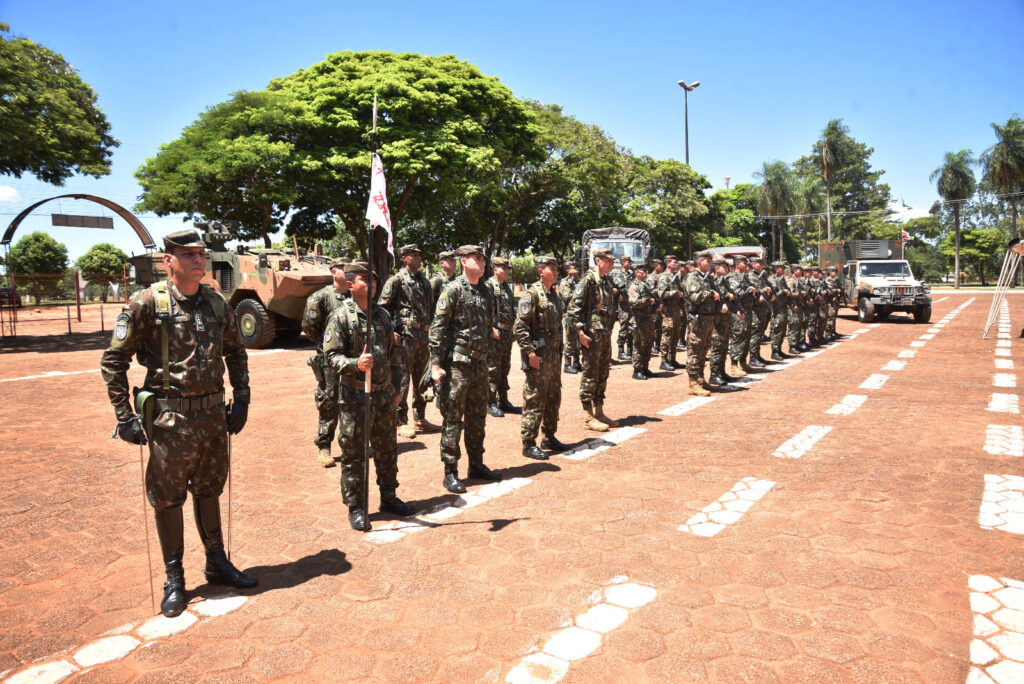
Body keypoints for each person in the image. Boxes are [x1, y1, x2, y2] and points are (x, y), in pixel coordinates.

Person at [101, 229, 256, 618]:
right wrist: (125, 419)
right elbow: (113, 363)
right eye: (187, 255)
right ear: (168, 260)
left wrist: (243, 398)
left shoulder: (217, 303)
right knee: (169, 498)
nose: (198, 260)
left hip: (212, 418)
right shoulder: (147, 302)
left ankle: (217, 562)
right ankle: (175, 578)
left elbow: (236, 353)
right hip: (170, 420)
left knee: (209, 491)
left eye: (201, 254)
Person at [323, 261, 416, 531]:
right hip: (355, 397)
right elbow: (330, 357)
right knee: (354, 453)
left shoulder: (383, 316)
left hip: (384, 395)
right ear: (350, 284)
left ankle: (389, 498)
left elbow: (394, 355)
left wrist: (397, 388)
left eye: (374, 280)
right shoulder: (341, 316)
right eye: (365, 279)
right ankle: (356, 506)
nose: (372, 284)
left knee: (388, 450)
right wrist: (355, 364)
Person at [430, 245, 502, 494]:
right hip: (457, 367)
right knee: (453, 420)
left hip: (480, 365)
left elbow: (487, 321)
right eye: (477, 259)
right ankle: (450, 471)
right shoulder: (452, 289)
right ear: (463, 262)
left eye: (484, 260)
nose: (482, 263)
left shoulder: (486, 291)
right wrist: (435, 364)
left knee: (477, 418)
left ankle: (477, 465)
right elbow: (437, 328)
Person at [379, 244, 439, 439]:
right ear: (404, 258)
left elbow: (430, 308)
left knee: (422, 379)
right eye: (413, 255)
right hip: (405, 336)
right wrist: (392, 331)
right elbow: (383, 308)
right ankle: (400, 421)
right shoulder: (396, 280)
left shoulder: (424, 281)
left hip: (423, 336)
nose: (418, 258)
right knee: (402, 379)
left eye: (419, 254)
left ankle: (419, 417)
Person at [515, 256, 568, 460]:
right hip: (538, 356)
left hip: (553, 357)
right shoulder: (531, 295)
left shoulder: (553, 295)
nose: (555, 272)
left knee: (553, 397)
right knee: (534, 399)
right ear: (540, 271)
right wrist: (530, 353)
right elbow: (520, 327)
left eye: (556, 269)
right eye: (551, 269)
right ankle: (529, 443)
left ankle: (549, 436)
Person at [302, 260, 350, 468]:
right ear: (334, 272)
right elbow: (309, 326)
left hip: (352, 359)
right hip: (329, 360)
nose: (349, 273)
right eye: (344, 269)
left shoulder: (353, 296)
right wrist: (326, 346)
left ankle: (351, 444)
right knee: (329, 401)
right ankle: (324, 446)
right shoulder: (321, 296)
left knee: (353, 401)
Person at [567, 247, 619, 431]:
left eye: (612, 261)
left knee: (603, 373)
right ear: (598, 261)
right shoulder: (587, 282)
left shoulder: (605, 281)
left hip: (604, 334)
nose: (612, 264)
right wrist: (580, 333)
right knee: (590, 374)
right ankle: (588, 416)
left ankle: (599, 411)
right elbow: (573, 311)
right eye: (609, 261)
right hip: (591, 336)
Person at [487, 256, 519, 417]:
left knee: (504, 368)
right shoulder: (489, 286)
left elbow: (510, 310)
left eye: (507, 269)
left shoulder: (506, 287)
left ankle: (503, 400)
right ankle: (491, 402)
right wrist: (491, 329)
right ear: (495, 269)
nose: (506, 271)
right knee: (493, 369)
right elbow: (484, 311)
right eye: (503, 268)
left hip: (506, 333)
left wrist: (513, 330)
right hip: (495, 334)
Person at [684, 254, 721, 396]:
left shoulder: (708, 277)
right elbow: (695, 297)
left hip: (708, 319)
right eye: (708, 261)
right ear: (699, 262)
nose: (710, 263)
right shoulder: (693, 277)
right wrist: (711, 293)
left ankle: (700, 379)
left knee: (703, 351)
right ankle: (692, 382)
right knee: (695, 351)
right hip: (697, 320)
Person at [627, 263, 659, 379]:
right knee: (639, 345)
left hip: (648, 319)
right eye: (642, 271)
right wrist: (648, 301)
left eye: (646, 271)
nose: (645, 273)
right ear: (636, 273)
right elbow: (634, 302)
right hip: (638, 320)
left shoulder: (646, 285)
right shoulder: (634, 286)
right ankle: (637, 370)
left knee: (648, 344)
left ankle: (645, 367)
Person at [727, 256, 757, 376]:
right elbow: (737, 293)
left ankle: (743, 362)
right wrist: (749, 290)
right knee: (738, 335)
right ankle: (734, 365)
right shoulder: (732, 277)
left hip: (747, 309)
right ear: (738, 264)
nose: (747, 265)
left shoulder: (745, 278)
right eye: (744, 263)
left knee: (747, 336)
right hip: (737, 311)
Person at [707, 258, 734, 387]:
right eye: (724, 266)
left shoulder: (723, 281)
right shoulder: (710, 280)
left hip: (724, 318)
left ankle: (721, 372)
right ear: (716, 268)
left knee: (723, 345)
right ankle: (714, 374)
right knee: (717, 346)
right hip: (715, 319)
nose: (727, 269)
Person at [656, 256, 684, 371]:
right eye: (674, 262)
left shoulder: (675, 277)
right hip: (667, 312)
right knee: (667, 336)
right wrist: (675, 292)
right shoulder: (664, 277)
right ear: (668, 264)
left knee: (675, 336)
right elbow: (661, 294)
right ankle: (664, 361)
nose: (676, 264)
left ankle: (672, 359)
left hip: (676, 311)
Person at [748, 257, 774, 366]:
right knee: (755, 333)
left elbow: (770, 286)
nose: (760, 265)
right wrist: (765, 290)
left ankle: (757, 356)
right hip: (755, 308)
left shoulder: (762, 275)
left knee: (760, 333)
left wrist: (770, 293)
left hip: (763, 308)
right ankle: (753, 358)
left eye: (761, 263)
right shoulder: (751, 276)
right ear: (753, 264)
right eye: (758, 263)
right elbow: (755, 290)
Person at [558, 262, 582, 373]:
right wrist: (580, 294)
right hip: (569, 314)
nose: (577, 269)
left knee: (578, 339)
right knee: (569, 340)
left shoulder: (578, 281)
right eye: (574, 267)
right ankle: (567, 364)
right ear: (568, 270)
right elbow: (567, 297)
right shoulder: (564, 282)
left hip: (579, 314)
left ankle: (576, 362)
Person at [610, 255, 634, 361]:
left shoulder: (632, 275)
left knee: (632, 328)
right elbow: (611, 287)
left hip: (632, 305)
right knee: (624, 328)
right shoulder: (616, 275)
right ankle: (621, 351)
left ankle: (630, 349)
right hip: (623, 307)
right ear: (623, 262)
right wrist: (616, 294)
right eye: (628, 262)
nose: (630, 264)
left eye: (630, 262)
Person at [767, 261, 792, 361]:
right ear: (776, 269)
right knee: (776, 330)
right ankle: (774, 351)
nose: (783, 269)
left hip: (783, 307)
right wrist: (783, 291)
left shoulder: (781, 279)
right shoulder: (772, 279)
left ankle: (779, 350)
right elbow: (773, 294)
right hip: (776, 308)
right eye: (781, 267)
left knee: (782, 330)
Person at [786, 265, 807, 354]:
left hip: (799, 306)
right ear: (794, 271)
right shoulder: (791, 281)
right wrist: (800, 294)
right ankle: (792, 346)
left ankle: (797, 344)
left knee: (799, 325)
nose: (801, 271)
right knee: (794, 326)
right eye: (799, 270)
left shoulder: (798, 280)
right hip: (794, 306)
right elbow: (789, 294)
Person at [648, 258, 664, 355]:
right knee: (653, 326)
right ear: (655, 266)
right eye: (660, 265)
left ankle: (658, 345)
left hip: (662, 305)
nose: (662, 267)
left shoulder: (662, 276)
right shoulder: (651, 277)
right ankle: (652, 345)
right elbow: (651, 291)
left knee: (660, 327)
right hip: (655, 305)